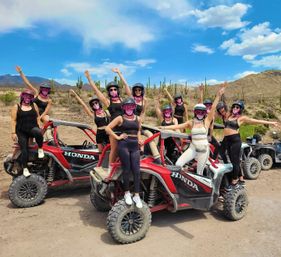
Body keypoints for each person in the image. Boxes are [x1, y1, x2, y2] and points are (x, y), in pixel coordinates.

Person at [160, 84, 226, 175]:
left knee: (199, 172)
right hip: (193, 148)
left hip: (203, 150)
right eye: (198, 111)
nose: (200, 114)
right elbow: (177, 126)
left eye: (202, 112)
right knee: (178, 164)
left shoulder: (206, 121)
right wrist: (164, 127)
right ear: (195, 112)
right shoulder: (191, 122)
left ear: (204, 113)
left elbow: (213, 107)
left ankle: (201, 188)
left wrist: (218, 95)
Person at [217, 99, 280, 188]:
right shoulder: (229, 116)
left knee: (235, 162)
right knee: (233, 161)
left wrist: (271, 122)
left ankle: (234, 181)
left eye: (237, 107)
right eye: (234, 106)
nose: (235, 108)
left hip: (235, 141)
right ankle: (241, 179)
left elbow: (255, 121)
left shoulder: (241, 118)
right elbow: (219, 111)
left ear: (240, 109)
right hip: (228, 140)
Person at [105, 98, 143, 208]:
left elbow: (139, 130)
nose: (129, 108)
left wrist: (140, 139)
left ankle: (136, 195)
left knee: (136, 170)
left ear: (134, 107)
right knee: (126, 169)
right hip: (124, 145)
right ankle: (126, 193)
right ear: (123, 108)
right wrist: (117, 137)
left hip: (135, 145)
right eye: (127, 106)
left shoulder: (138, 118)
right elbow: (108, 128)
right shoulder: (120, 118)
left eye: (131, 106)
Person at [84, 70, 122, 168]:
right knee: (114, 149)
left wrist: (119, 74)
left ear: (118, 90)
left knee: (122, 149)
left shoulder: (123, 101)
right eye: (111, 90)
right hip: (113, 129)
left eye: (115, 89)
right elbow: (97, 91)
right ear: (109, 92)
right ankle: (109, 169)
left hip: (124, 127)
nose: (113, 91)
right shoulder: (108, 102)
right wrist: (89, 78)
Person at [11, 89, 44, 177]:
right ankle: (25, 168)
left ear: (32, 98)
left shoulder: (34, 105)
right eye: (26, 96)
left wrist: (39, 124)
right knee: (24, 150)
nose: (27, 98)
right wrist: (13, 133)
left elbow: (37, 117)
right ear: (22, 96)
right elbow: (13, 120)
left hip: (32, 128)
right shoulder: (17, 106)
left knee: (38, 132)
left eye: (29, 96)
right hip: (21, 131)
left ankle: (40, 148)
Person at [155, 95, 179, 163]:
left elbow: (176, 129)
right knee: (161, 154)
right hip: (162, 140)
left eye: (168, 111)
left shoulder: (174, 120)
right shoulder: (162, 118)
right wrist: (157, 101)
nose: (167, 112)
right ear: (163, 112)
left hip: (171, 140)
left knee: (170, 156)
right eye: (166, 111)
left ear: (171, 112)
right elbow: (157, 109)